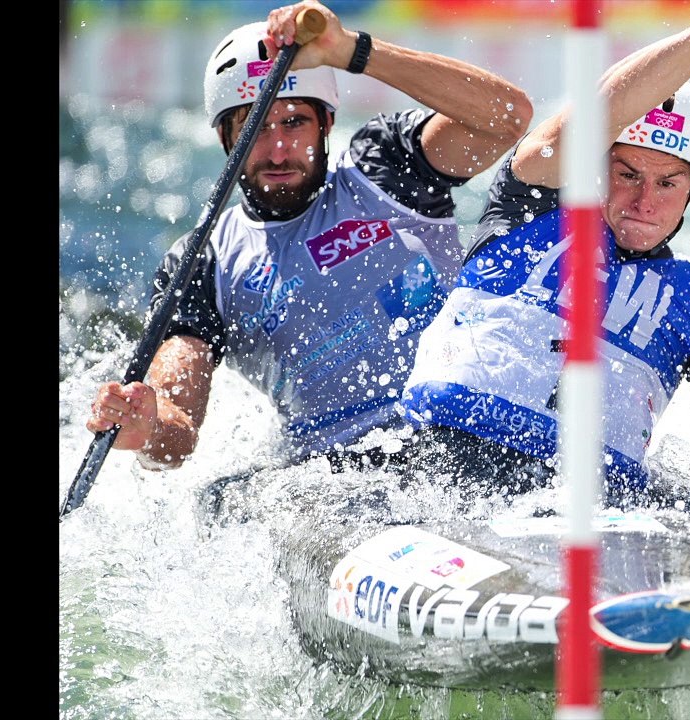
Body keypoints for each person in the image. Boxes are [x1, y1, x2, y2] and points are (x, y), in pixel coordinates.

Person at [86, 0, 533, 473]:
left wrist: (351, 51)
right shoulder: (202, 263)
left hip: (465, 430)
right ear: (225, 139)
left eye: (294, 122)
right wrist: (148, 428)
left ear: (326, 124)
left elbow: (507, 118)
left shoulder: (386, 167)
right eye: (255, 126)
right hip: (336, 478)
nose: (278, 150)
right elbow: (177, 427)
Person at [398, 0, 690, 507]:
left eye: (667, 183)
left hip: (597, 503)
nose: (644, 201)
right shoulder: (530, 200)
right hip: (440, 472)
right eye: (627, 174)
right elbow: (601, 111)